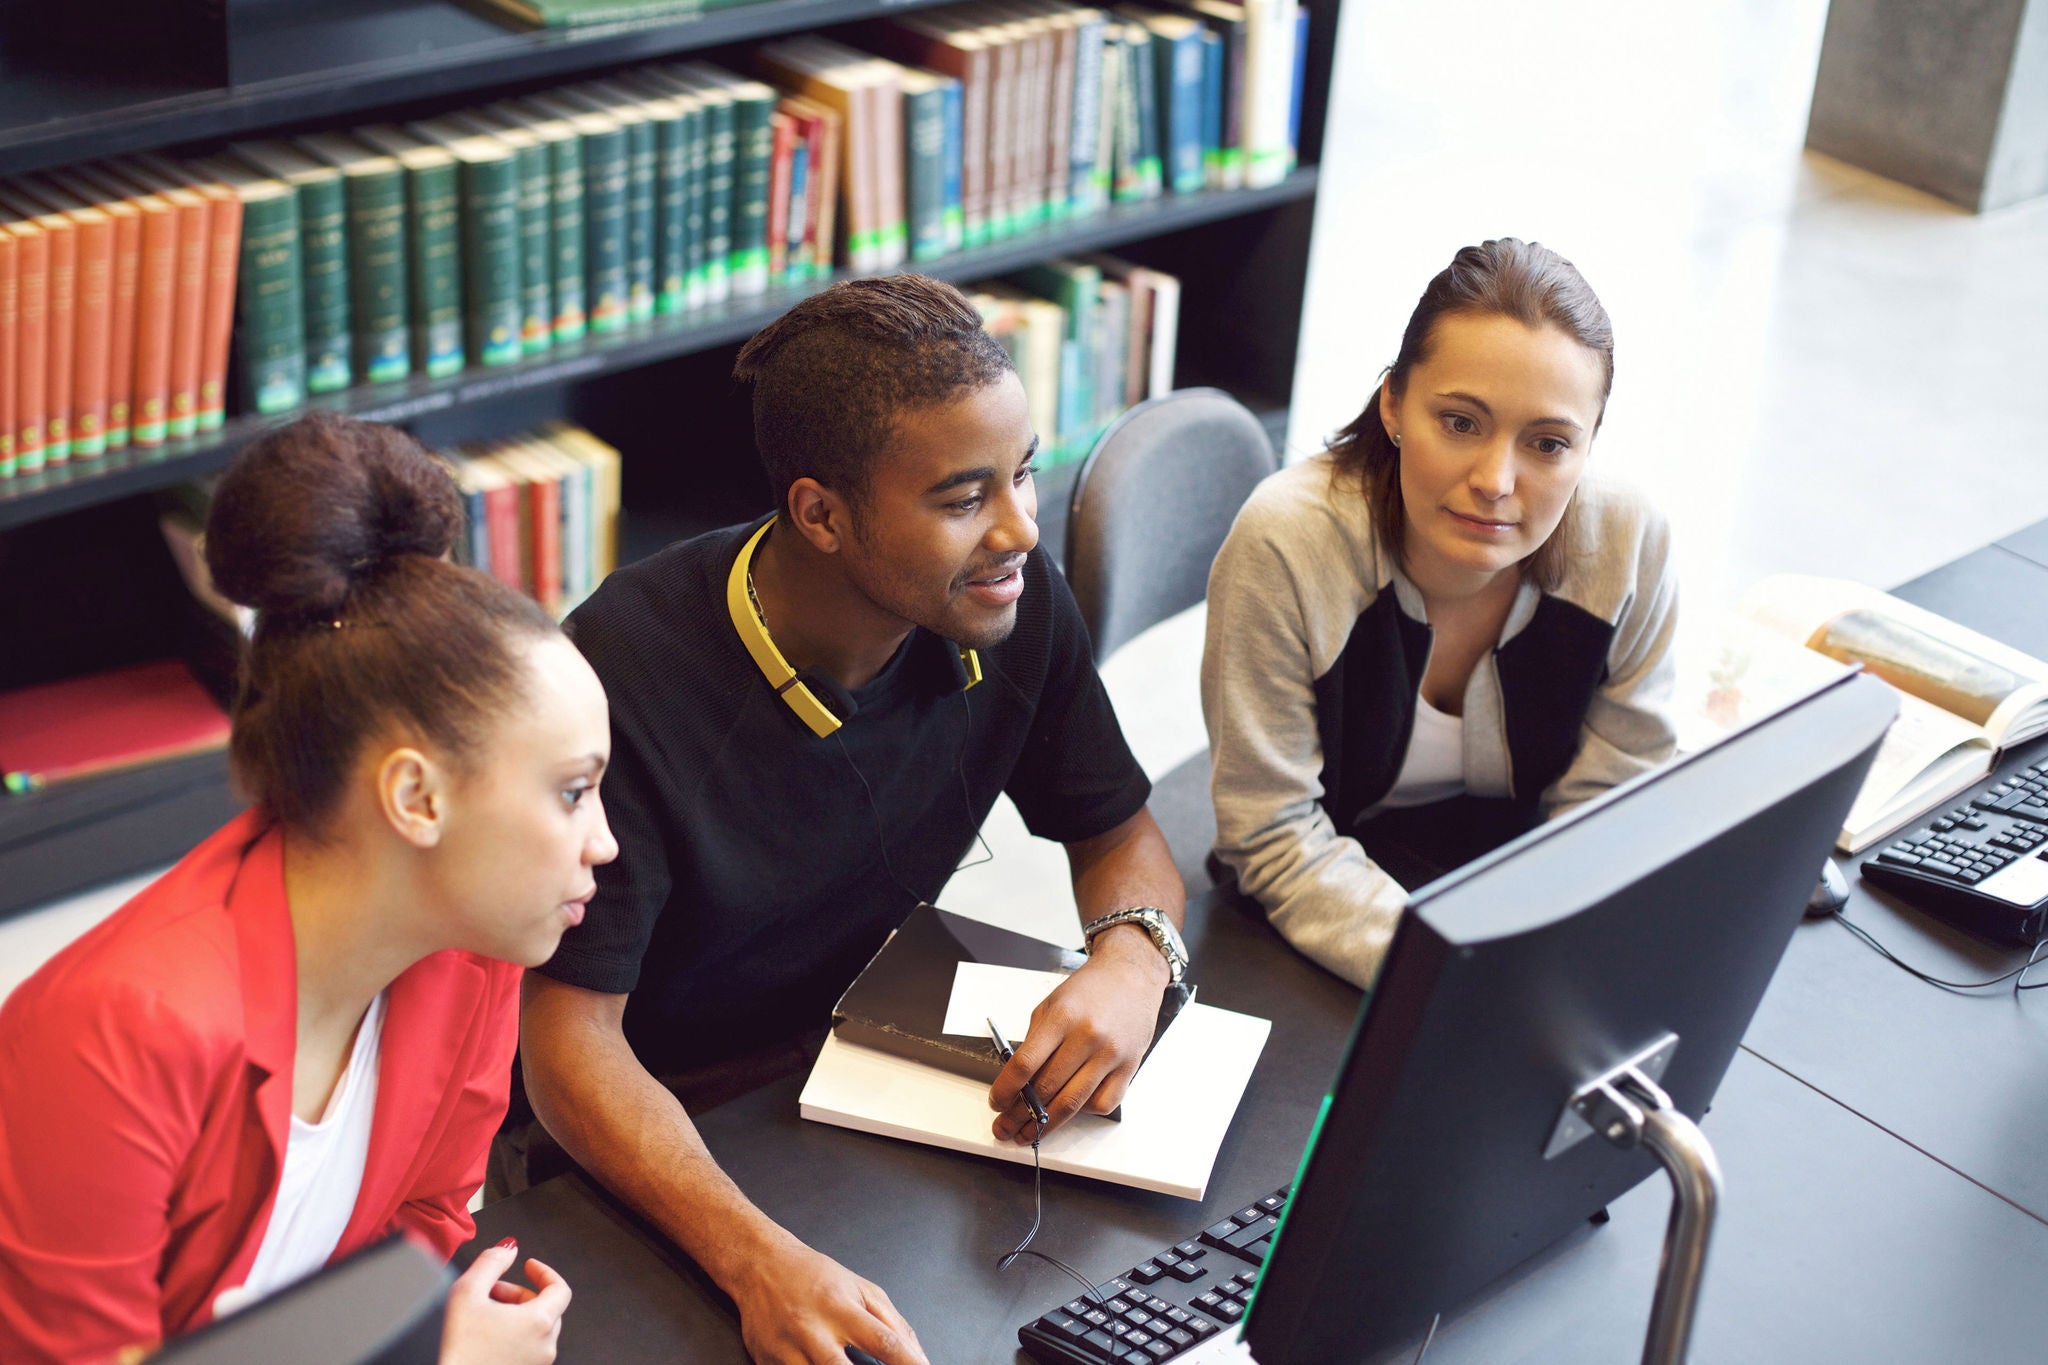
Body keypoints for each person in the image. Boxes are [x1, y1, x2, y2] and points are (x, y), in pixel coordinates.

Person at [512, 275, 1188, 1365]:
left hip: (849, 1072)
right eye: (964, 498)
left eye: (1021, 473)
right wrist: (752, 1260)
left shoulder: (1005, 598)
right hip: (651, 1135)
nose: (1019, 528)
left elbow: (1118, 834)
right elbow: (564, 1046)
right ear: (819, 513)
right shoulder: (620, 675)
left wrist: (1130, 962)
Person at [0, 413, 616, 1365]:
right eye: (573, 791)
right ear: (414, 795)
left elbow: (422, 1222)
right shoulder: (113, 1035)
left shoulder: (470, 953)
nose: (605, 842)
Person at [1203, 238, 1678, 989]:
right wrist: (1448, 978)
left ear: (1589, 447)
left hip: (1510, 885)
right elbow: (1273, 833)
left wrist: (1542, 946)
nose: (1495, 481)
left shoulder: (1628, 540)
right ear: (1393, 403)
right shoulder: (1288, 542)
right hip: (1319, 903)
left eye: (1549, 443)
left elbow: (1616, 796)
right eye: (1460, 422)